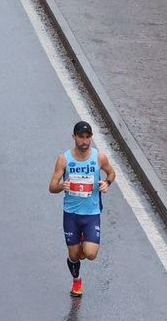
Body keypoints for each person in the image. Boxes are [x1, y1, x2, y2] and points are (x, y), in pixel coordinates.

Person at [47, 121, 117, 298]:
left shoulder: (99, 157)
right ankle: (77, 280)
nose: (84, 141)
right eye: (81, 137)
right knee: (74, 255)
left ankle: (85, 240)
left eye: (88, 137)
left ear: (91, 138)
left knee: (90, 254)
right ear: (74, 137)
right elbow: (52, 187)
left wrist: (106, 183)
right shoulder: (64, 159)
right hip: (71, 214)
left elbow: (111, 173)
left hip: (92, 214)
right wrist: (64, 186)